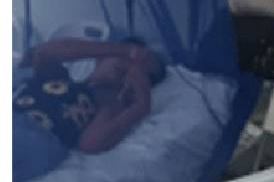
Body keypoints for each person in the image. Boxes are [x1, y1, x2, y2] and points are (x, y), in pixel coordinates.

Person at [14, 37, 166, 155]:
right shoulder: (58, 77)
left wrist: (141, 106)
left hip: (29, 144)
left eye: (143, 72)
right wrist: (124, 50)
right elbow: (43, 52)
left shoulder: (107, 105)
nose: (130, 67)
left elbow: (90, 143)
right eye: (128, 60)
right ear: (100, 58)